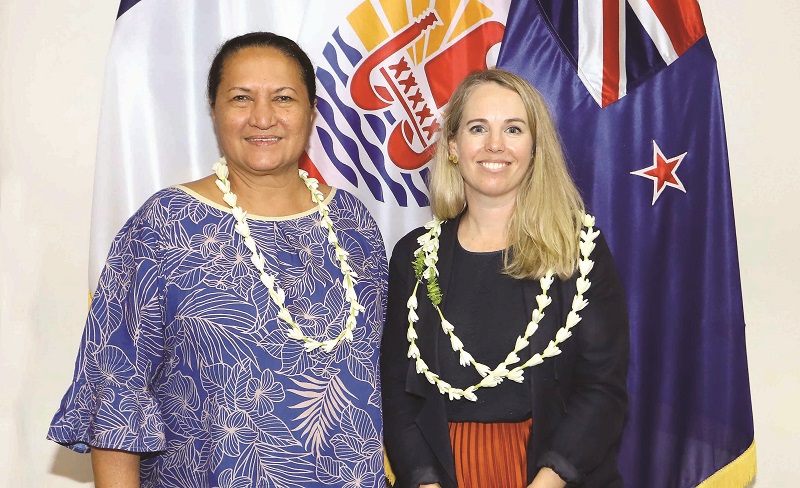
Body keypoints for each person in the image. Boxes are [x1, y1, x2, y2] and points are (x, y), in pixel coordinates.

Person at [48, 32, 388, 487]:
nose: (263, 117)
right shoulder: (164, 226)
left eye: (283, 98)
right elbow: (116, 392)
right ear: (214, 110)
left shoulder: (353, 222)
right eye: (241, 98)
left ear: (311, 112)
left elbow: (383, 380)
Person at [381, 69, 629, 488]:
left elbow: (601, 392)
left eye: (513, 129)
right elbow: (399, 396)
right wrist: (424, 482)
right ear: (454, 146)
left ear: (534, 149)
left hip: (554, 478)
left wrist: (547, 483)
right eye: (478, 128)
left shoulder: (579, 250)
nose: (495, 144)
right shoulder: (415, 256)